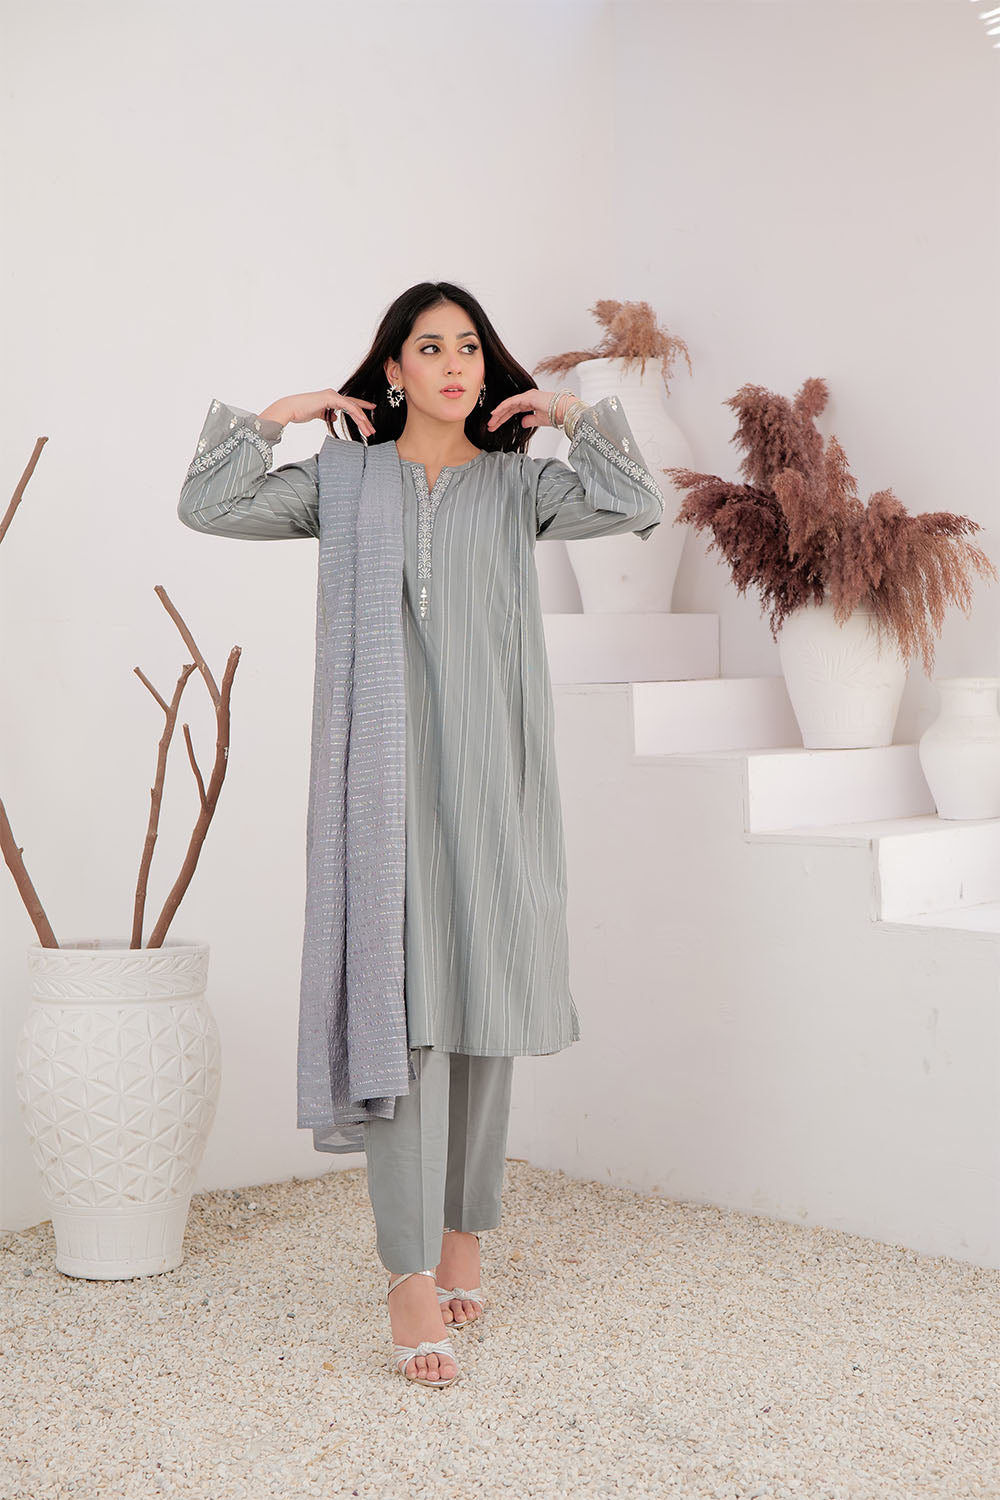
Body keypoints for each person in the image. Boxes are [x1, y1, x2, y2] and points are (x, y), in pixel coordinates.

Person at [177, 280, 664, 1389]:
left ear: (486, 369)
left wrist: (572, 414)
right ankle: (407, 1271)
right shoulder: (341, 481)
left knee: (483, 1009)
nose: (453, 364)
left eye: (468, 348)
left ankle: (463, 1234)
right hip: (382, 792)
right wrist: (280, 415)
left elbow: (637, 504)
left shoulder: (519, 486)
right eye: (429, 347)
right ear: (392, 369)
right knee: (402, 1022)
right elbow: (209, 505)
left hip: (494, 782)